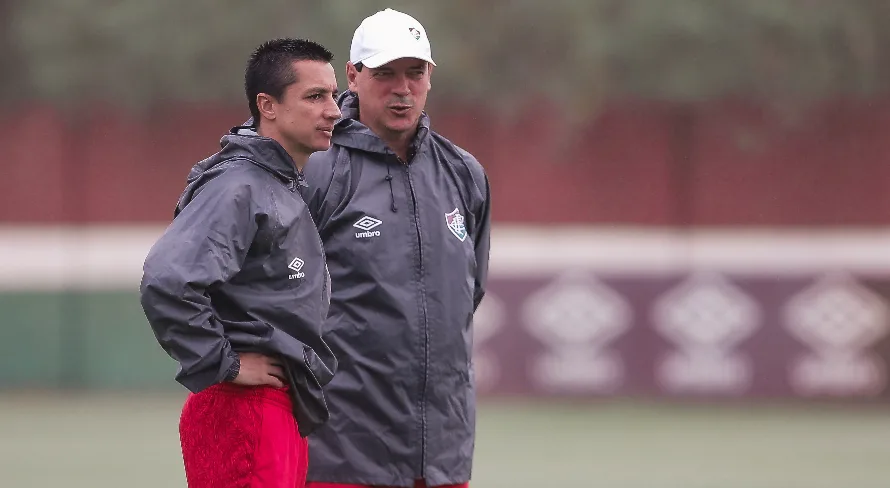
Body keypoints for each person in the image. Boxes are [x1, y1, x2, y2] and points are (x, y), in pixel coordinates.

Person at [301, 9, 491, 488]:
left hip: (444, 455)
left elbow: (469, 293)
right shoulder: (316, 168)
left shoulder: (463, 173)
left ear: (430, 77)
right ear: (353, 76)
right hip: (342, 454)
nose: (402, 88)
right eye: (385, 74)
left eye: (415, 73)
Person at [139, 38, 341, 488]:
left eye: (333, 94)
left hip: (275, 407)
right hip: (243, 407)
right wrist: (226, 364)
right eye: (315, 96)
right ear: (267, 105)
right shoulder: (240, 184)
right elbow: (167, 279)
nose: (334, 110)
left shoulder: (279, 184)